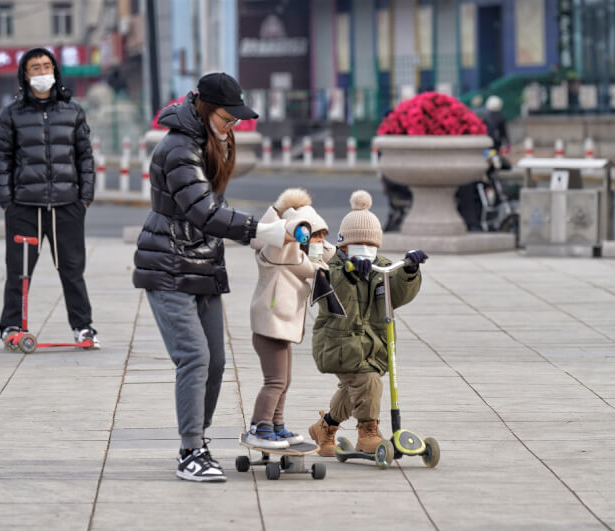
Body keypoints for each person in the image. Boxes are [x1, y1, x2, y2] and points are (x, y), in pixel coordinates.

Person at [132, 72, 305, 482]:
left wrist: (264, 231)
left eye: (238, 119)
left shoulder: (215, 140)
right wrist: (260, 232)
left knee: (215, 363)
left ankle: (199, 442)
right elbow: (203, 211)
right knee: (194, 357)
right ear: (205, 108)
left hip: (202, 261)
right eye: (229, 118)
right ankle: (190, 450)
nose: (234, 126)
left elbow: (214, 209)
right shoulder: (178, 148)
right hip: (168, 262)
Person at [0, 47, 99, 349]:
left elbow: (85, 158)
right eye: (35, 68)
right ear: (25, 75)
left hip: (67, 205)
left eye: (46, 66)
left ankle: (83, 328)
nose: (42, 73)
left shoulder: (73, 111)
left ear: (55, 71)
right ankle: (11, 324)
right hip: (24, 207)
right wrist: (6, 200)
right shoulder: (11, 114)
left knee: (73, 270)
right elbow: (1, 158)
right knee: (19, 271)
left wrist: (85, 198)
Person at [308, 190, 426, 457]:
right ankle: (367, 432)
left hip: (372, 345)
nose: (366, 251)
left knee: (356, 388)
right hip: (339, 345)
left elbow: (397, 295)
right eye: (358, 245)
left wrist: (409, 271)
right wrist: (350, 274)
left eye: (371, 245)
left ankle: (325, 426)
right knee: (368, 381)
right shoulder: (330, 269)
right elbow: (332, 295)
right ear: (343, 246)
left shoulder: (381, 267)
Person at [245, 188, 336, 449]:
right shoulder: (279, 250)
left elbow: (329, 256)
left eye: (320, 236)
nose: (318, 241)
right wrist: (298, 223)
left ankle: (276, 425)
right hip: (270, 326)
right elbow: (281, 229)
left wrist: (318, 238)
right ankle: (259, 426)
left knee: (284, 381)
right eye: (314, 236)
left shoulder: (304, 258)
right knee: (274, 381)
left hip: (281, 328)